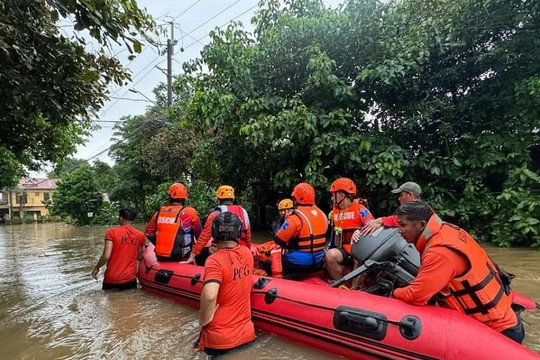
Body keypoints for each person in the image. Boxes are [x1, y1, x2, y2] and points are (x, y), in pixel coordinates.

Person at [392, 201, 525, 343]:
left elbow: (415, 296)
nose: (398, 230)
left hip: (498, 331)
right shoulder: (450, 230)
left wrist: (394, 293)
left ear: (421, 225)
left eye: (402, 225)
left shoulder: (439, 252)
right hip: (508, 319)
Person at [194, 212, 256, 356]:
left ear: (214, 233)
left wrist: (203, 321)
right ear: (239, 231)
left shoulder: (214, 261)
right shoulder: (247, 253)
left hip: (219, 340)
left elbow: (210, 296)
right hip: (247, 335)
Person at [185, 185, 251, 266]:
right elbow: (248, 237)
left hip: (220, 251)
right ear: (233, 199)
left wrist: (193, 254)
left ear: (218, 200)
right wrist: (247, 254)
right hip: (240, 251)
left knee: (200, 254)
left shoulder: (215, 214)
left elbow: (204, 236)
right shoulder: (244, 212)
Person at [274, 182, 328, 277]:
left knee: (267, 263)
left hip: (299, 264)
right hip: (319, 261)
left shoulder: (295, 217)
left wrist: (281, 222)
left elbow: (278, 240)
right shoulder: (323, 215)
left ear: (295, 199)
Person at [325, 178, 374, 280]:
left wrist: (359, 230)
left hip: (359, 251)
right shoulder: (334, 212)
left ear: (342, 196)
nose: (332, 198)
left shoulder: (360, 208)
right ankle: (341, 285)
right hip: (343, 250)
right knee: (330, 256)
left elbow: (372, 225)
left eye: (333, 194)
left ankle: (356, 287)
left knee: (358, 260)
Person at [145, 183, 202, 261]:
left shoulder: (159, 213)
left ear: (169, 196)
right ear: (185, 198)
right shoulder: (190, 212)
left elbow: (148, 233)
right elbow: (199, 235)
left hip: (161, 257)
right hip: (181, 257)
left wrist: (160, 244)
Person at [92, 208, 146, 290]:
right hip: (129, 278)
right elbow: (139, 257)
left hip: (111, 278)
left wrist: (97, 267)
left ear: (120, 218)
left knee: (110, 301)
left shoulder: (111, 232)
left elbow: (106, 256)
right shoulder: (140, 235)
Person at [355, 181, 422, 238]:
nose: (399, 199)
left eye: (401, 195)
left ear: (410, 195)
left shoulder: (419, 209)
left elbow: (400, 220)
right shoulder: (419, 208)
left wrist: (380, 221)